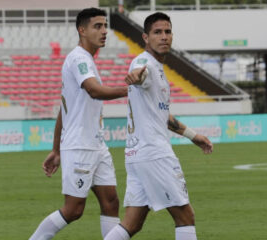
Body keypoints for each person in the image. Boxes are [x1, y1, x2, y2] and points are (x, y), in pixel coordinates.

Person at [104, 12, 213, 240]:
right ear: (145, 37)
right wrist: (136, 75)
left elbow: (162, 115)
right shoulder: (145, 64)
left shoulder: (157, 67)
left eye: (167, 31)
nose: (164, 37)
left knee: (132, 224)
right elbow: (140, 73)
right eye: (157, 32)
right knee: (185, 216)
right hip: (154, 154)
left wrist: (194, 136)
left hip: (137, 154)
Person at [29, 8, 128, 239]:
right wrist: (130, 89)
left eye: (105, 26)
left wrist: (55, 149)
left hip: (96, 145)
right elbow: (94, 91)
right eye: (97, 26)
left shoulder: (88, 60)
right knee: (74, 210)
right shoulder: (78, 58)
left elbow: (65, 110)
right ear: (81, 30)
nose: (104, 31)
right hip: (80, 145)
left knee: (111, 201)